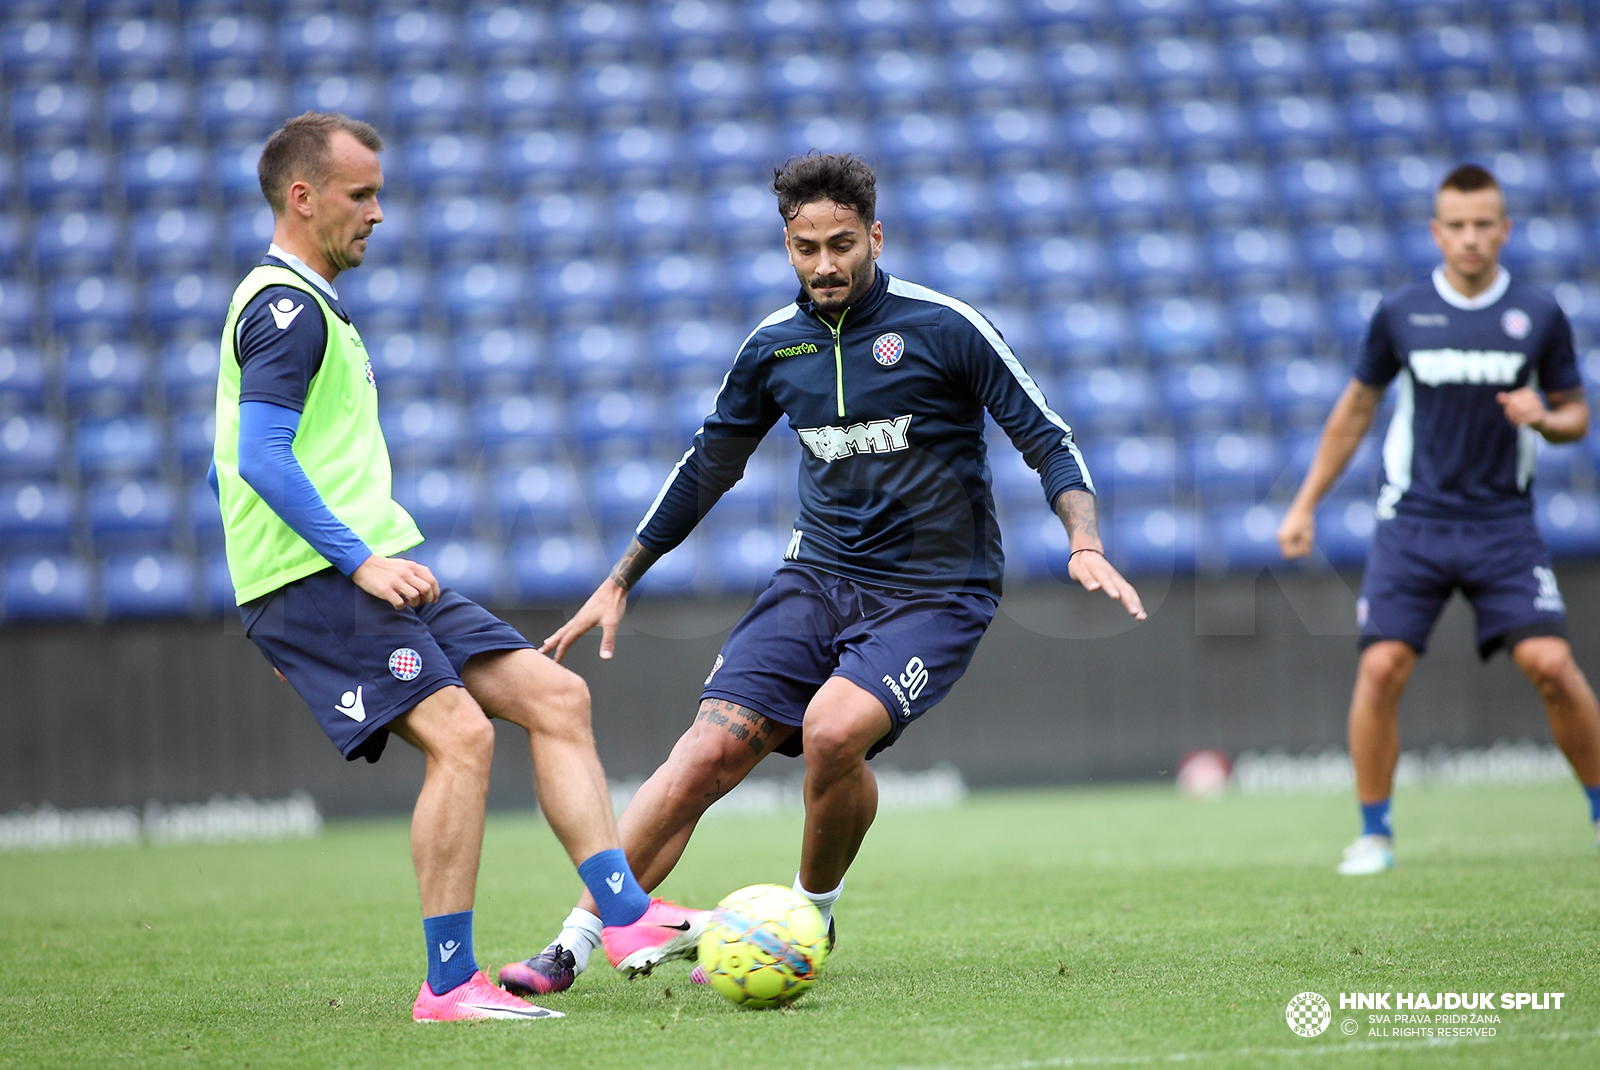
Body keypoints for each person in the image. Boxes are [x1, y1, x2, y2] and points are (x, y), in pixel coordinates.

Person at [496, 153, 1146, 997]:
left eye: (842, 243)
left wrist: (1083, 540)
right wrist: (623, 576)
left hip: (937, 592)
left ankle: (808, 918)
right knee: (704, 755)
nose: (825, 264)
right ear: (788, 245)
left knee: (836, 733)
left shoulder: (944, 326)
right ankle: (574, 944)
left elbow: (1046, 436)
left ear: (874, 236)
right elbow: (707, 467)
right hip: (817, 579)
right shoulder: (775, 346)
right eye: (806, 247)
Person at [212, 112, 704, 1021]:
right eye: (362, 195)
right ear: (302, 196)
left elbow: (240, 459)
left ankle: (629, 919)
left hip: (373, 566)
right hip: (319, 580)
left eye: (380, 194)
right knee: (463, 736)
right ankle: (448, 985)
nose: (378, 213)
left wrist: (367, 557)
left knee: (556, 700)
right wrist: (355, 562)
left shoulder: (313, 305)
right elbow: (261, 457)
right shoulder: (284, 309)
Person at [1278, 163, 1600, 876]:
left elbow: (1576, 413)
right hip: (1414, 523)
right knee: (1382, 666)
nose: (1471, 238)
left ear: (1505, 229)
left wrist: (1546, 418)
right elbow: (1355, 410)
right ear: (1436, 231)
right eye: (1456, 225)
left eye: (1485, 224)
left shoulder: (1538, 315)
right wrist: (1305, 505)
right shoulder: (1402, 313)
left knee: (1550, 665)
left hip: (1503, 527)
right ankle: (1374, 834)